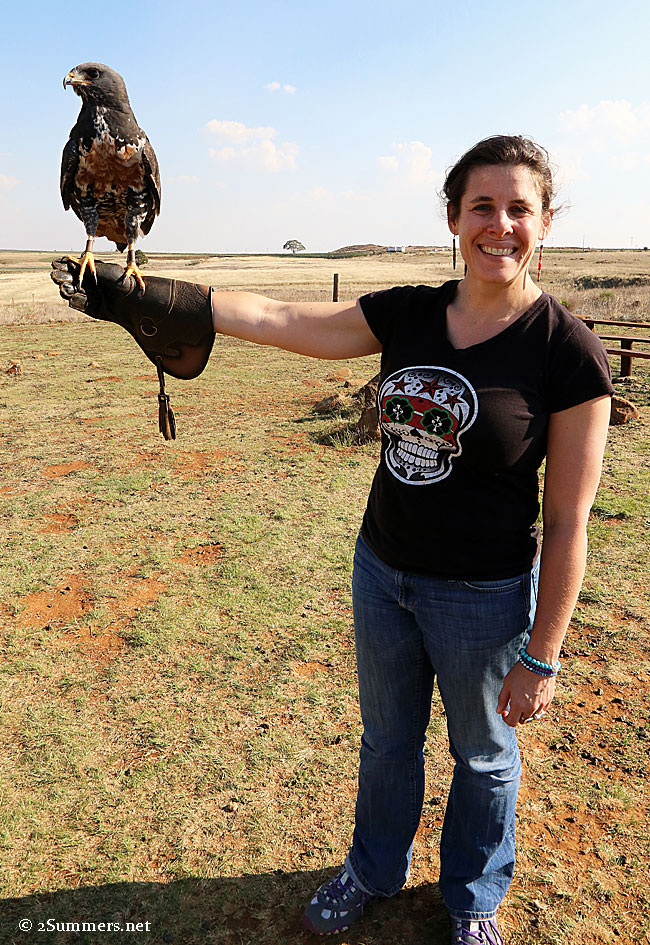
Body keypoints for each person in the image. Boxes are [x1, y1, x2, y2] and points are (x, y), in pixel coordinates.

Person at [51, 135, 614, 945]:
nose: (500, 225)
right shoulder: (411, 314)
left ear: (546, 223)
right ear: (454, 218)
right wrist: (162, 297)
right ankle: (375, 869)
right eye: (481, 206)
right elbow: (283, 317)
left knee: (483, 757)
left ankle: (472, 898)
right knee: (387, 741)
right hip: (383, 572)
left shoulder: (567, 352)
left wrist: (544, 652)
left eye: (519, 208)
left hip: (484, 599)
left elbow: (567, 521)